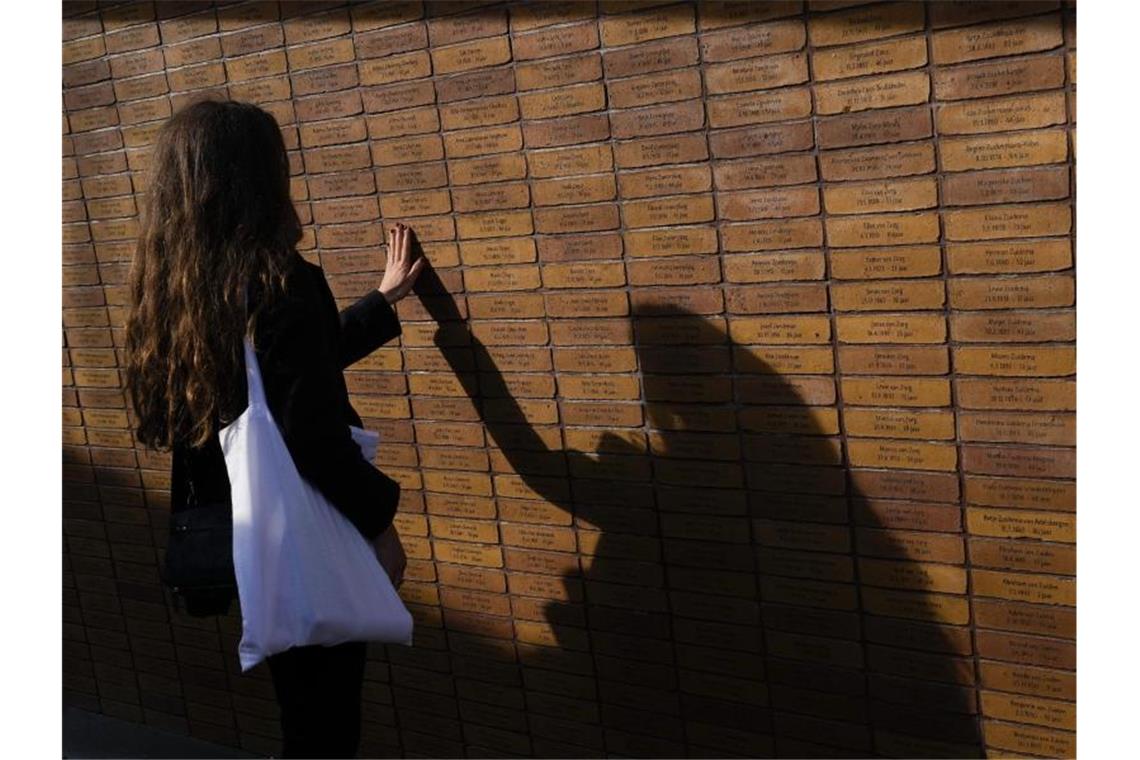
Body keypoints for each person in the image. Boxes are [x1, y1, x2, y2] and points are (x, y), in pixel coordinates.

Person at [123, 99, 425, 759]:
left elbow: (282, 378)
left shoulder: (178, 292)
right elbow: (310, 431)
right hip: (307, 532)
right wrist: (382, 526)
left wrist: (379, 303)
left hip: (243, 535)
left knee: (304, 716)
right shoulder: (282, 281)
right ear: (259, 181)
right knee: (325, 725)